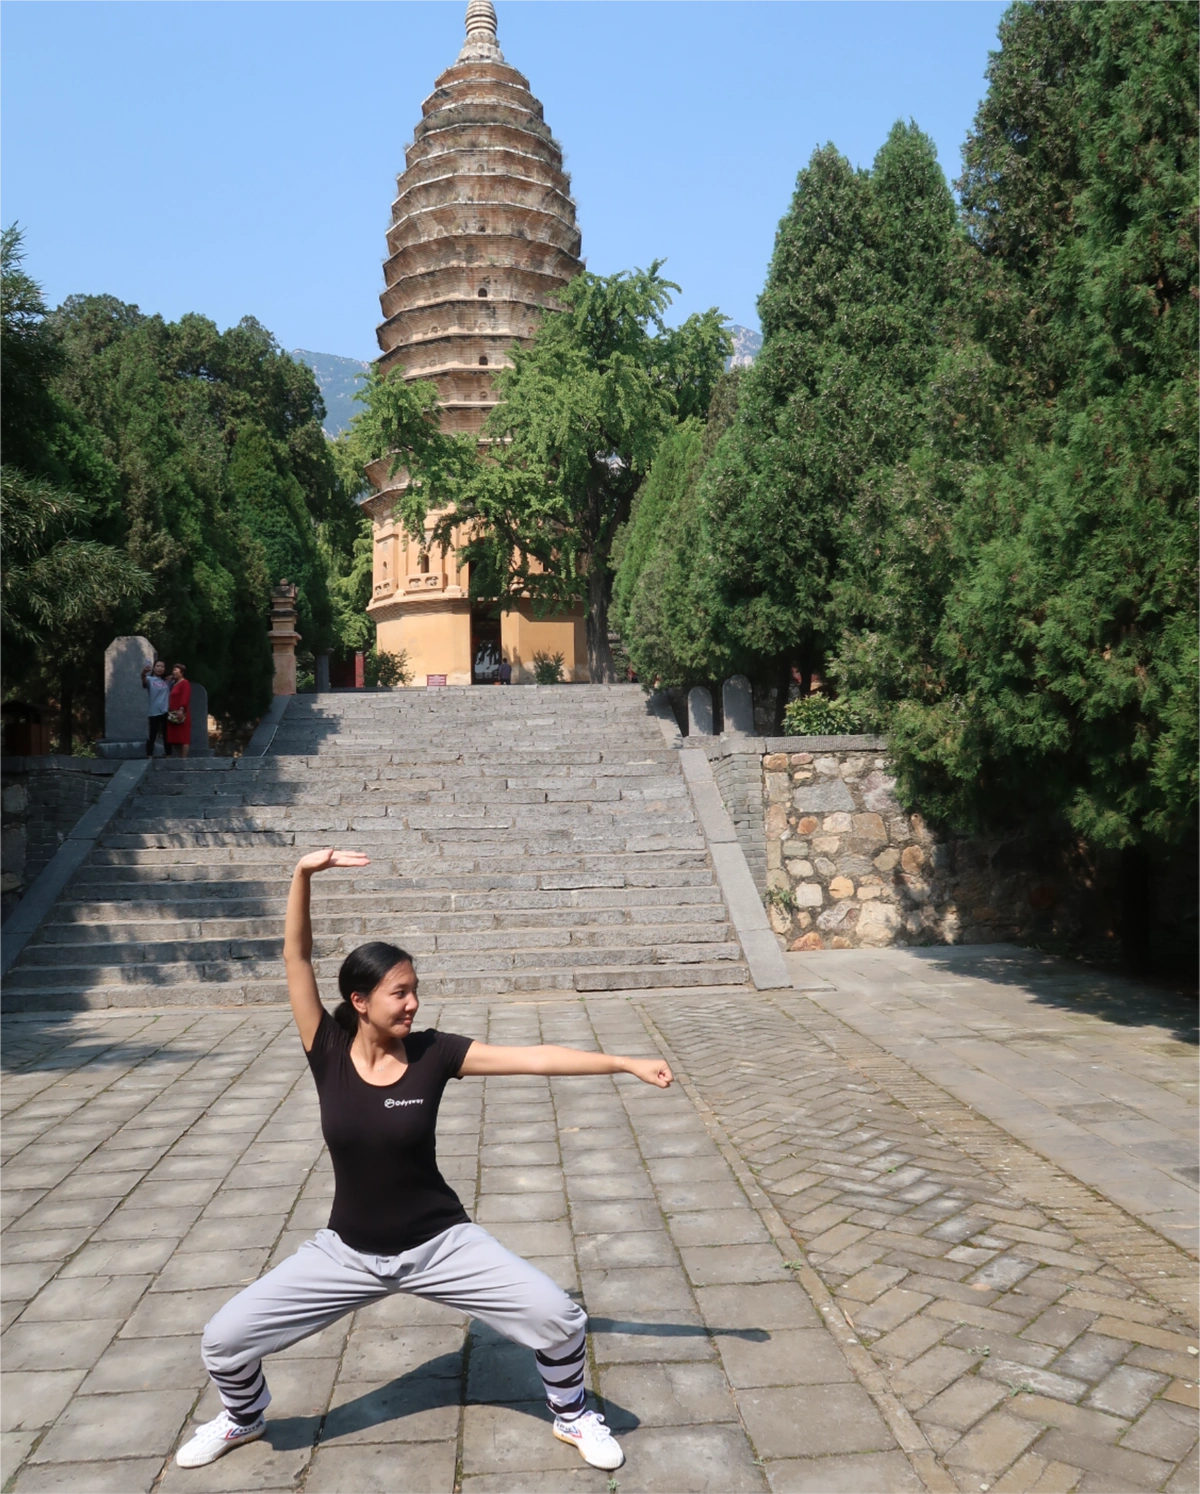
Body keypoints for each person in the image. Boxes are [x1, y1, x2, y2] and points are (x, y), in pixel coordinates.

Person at [175, 848, 673, 1472]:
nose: (412, 1005)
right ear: (359, 1000)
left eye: (415, 991)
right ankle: (243, 1419)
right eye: (399, 993)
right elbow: (296, 958)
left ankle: (572, 1416)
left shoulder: (434, 1053)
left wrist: (623, 1062)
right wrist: (302, 875)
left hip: (441, 1244)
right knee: (223, 1340)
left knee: (560, 1318)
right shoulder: (325, 1048)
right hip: (346, 1253)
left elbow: (534, 1056)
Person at [141, 659, 171, 757]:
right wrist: (144, 672)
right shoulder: (150, 679)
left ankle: (168, 754)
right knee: (152, 734)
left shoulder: (166, 681)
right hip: (154, 711)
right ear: (154, 668)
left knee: (167, 734)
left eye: (162, 667)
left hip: (165, 711)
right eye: (157, 666)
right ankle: (149, 754)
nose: (159, 668)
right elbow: (144, 680)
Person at [166, 664, 191, 760]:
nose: (174, 672)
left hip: (181, 713)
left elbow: (185, 696)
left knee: (184, 737)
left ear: (182, 672)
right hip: (173, 714)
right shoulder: (174, 683)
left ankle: (184, 759)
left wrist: (181, 708)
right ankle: (177, 757)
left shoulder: (185, 683)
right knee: (176, 736)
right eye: (173, 670)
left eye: (176, 670)